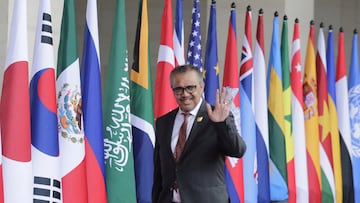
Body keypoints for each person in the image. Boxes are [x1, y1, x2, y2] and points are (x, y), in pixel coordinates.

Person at [152, 64, 246, 203]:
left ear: (201, 87)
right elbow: (160, 171)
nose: (184, 94)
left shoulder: (216, 116)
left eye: (190, 87)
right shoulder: (163, 122)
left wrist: (221, 124)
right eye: (178, 89)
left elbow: (237, 150)